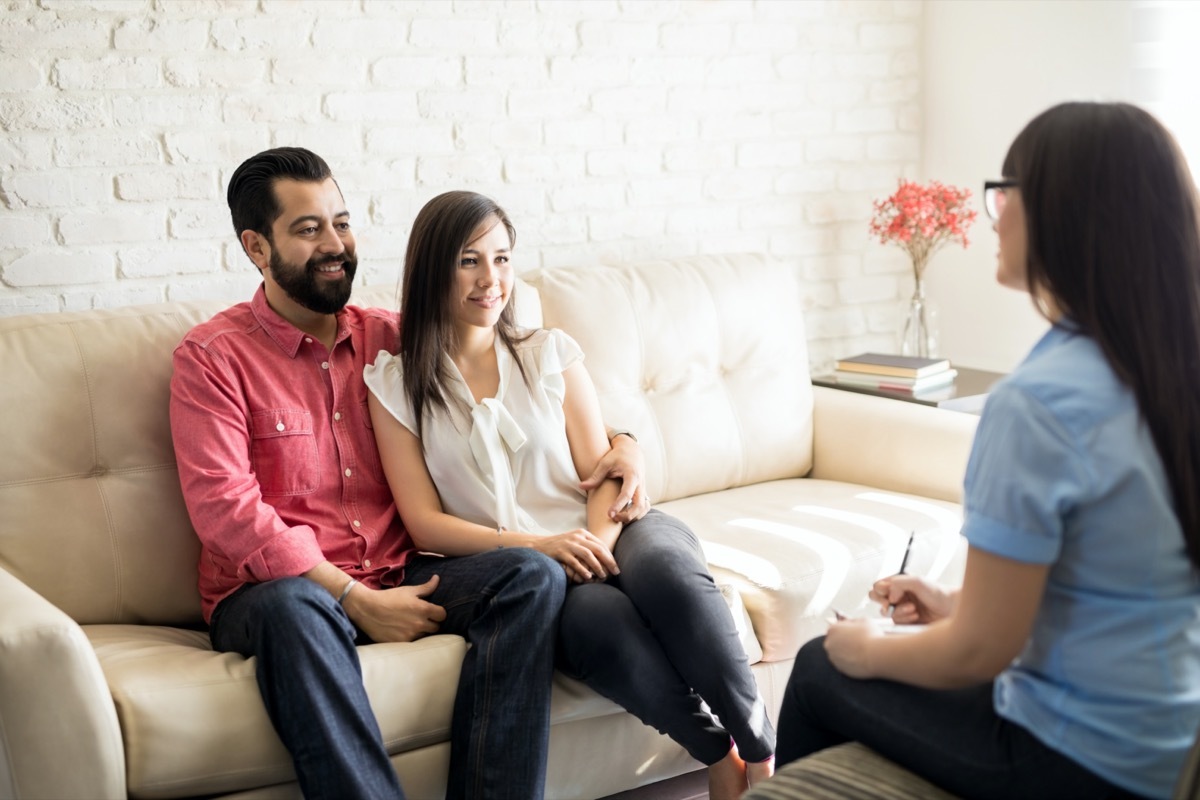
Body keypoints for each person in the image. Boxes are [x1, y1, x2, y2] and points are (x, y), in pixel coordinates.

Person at [169, 147, 651, 800]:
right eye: (309, 229)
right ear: (257, 247)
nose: (336, 244)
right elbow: (226, 509)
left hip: (401, 569)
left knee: (530, 574)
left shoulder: (393, 339)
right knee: (295, 609)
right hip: (280, 593)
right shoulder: (213, 359)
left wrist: (626, 443)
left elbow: (524, 376)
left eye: (341, 222)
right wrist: (354, 599)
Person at [774, 101, 1200, 800]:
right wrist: (952, 603)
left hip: (1073, 763)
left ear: (1067, 216)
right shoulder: (1164, 371)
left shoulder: (1038, 403)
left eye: (1008, 192)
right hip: (1166, 740)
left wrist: (871, 649)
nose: (993, 213)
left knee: (823, 665)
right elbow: (1110, 586)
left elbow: (981, 652)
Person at [362, 190, 777, 800]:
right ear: (432, 269)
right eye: (469, 261)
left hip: (613, 525)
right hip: (521, 562)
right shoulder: (395, 387)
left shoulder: (547, 352)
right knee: (597, 625)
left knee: (666, 575)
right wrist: (545, 550)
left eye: (502, 259)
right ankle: (718, 754)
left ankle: (764, 754)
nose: (491, 279)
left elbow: (603, 467)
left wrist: (590, 549)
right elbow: (424, 524)